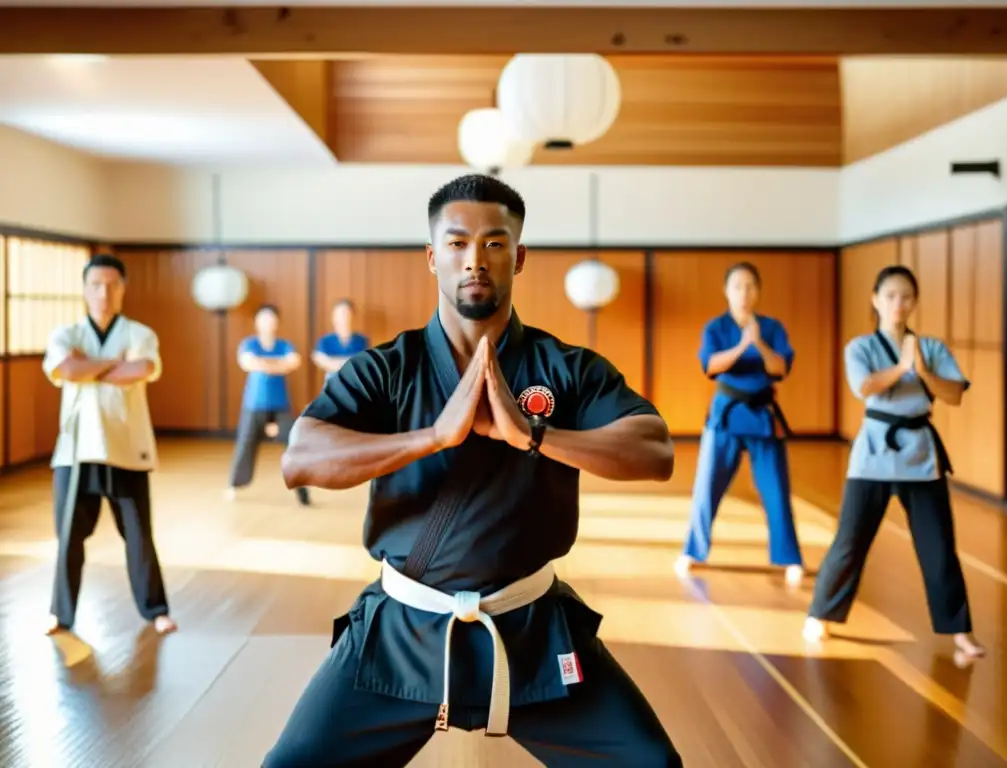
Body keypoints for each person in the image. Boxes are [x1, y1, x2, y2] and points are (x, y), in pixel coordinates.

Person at [262, 174, 682, 767]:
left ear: (519, 255)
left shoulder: (563, 367)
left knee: (650, 764)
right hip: (401, 632)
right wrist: (433, 437)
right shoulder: (388, 368)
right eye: (457, 244)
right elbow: (300, 457)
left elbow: (655, 450)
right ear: (432, 258)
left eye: (493, 243)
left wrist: (531, 434)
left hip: (532, 628)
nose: (474, 260)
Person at [803, 265, 985, 659]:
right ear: (875, 300)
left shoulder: (932, 349)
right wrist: (904, 368)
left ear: (915, 302)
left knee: (939, 547)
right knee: (850, 541)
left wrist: (923, 371)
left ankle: (960, 631)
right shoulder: (860, 348)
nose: (898, 304)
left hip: (921, 455)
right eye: (890, 296)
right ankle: (821, 613)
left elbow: (954, 394)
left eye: (906, 297)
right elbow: (863, 386)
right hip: (872, 456)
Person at [41, 253, 176, 636]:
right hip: (74, 450)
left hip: (127, 447)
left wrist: (90, 366)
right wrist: (109, 363)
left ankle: (156, 610)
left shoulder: (139, 334)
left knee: (138, 535)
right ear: (85, 289)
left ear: (123, 289)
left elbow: (139, 370)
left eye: (112, 284)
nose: (104, 292)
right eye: (96, 285)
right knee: (69, 537)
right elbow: (66, 369)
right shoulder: (65, 335)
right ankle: (61, 615)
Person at [674, 262, 803, 587]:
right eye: (737, 287)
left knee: (776, 490)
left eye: (750, 286)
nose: (744, 293)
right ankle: (693, 551)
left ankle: (789, 558)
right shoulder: (716, 327)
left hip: (762, 415)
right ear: (726, 291)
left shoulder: (771, 327)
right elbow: (710, 366)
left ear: (758, 291)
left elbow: (780, 368)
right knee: (707, 487)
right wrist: (742, 345)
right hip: (726, 416)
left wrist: (758, 342)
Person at [226, 304, 309, 505]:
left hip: (280, 404)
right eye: (263, 318)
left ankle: (302, 492)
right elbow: (248, 363)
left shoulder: (284, 344)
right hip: (254, 404)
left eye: (272, 319)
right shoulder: (249, 343)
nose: (268, 323)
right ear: (257, 322)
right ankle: (234, 485)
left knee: (293, 445)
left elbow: (293, 363)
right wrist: (277, 365)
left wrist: (265, 365)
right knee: (245, 444)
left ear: (277, 323)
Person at [311, 299, 370, 379]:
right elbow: (323, 363)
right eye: (338, 315)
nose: (342, 319)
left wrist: (334, 362)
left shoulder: (362, 340)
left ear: (353, 316)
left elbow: (363, 365)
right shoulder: (325, 341)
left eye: (345, 314)